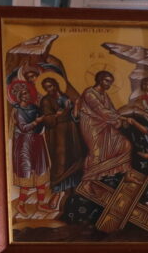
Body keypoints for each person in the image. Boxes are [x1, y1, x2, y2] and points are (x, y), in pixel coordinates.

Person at [77, 71, 133, 183]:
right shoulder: (89, 93)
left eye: (111, 82)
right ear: (99, 80)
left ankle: (126, 174)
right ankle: (88, 181)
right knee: (96, 153)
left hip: (105, 125)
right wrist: (121, 118)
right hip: (92, 125)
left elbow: (111, 109)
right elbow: (101, 110)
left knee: (125, 144)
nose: (109, 84)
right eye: (107, 81)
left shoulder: (104, 94)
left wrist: (118, 120)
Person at [38, 78, 85, 210]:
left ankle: (74, 192)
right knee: (60, 163)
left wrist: (76, 106)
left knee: (74, 159)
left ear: (56, 85)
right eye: (47, 87)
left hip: (71, 132)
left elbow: (75, 117)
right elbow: (47, 120)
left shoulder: (66, 97)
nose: (50, 89)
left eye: (51, 86)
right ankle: (57, 194)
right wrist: (56, 115)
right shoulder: (46, 101)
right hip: (58, 134)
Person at [8, 81, 51, 219]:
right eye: (24, 94)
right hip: (24, 143)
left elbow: (41, 122)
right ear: (19, 97)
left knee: (40, 171)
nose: (27, 96)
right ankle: (20, 204)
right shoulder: (18, 111)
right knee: (26, 173)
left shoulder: (34, 107)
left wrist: (43, 120)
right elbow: (23, 127)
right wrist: (36, 122)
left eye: (27, 93)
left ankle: (41, 203)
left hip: (36, 141)